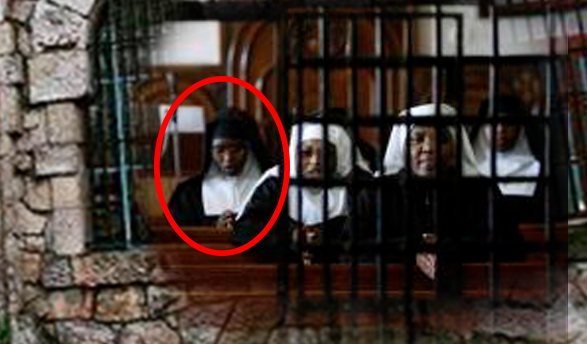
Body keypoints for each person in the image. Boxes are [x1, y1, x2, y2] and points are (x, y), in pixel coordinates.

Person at [375, 103, 522, 292]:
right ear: (403, 146)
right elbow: (351, 252)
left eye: (441, 139)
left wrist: (449, 248)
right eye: (418, 139)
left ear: (456, 146)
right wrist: (410, 251)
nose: (429, 148)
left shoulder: (482, 192)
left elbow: (512, 248)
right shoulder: (377, 193)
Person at [233, 113, 373, 262]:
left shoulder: (358, 187)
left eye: (325, 154)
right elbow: (244, 229)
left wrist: (327, 239)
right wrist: (291, 236)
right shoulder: (276, 183)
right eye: (306, 153)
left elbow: (372, 237)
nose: (315, 161)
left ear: (339, 157)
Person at [167, 109, 271, 230]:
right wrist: (214, 232)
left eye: (236, 150)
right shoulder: (188, 195)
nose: (228, 158)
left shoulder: (270, 191)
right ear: (210, 152)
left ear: (250, 150)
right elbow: (176, 240)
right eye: (220, 150)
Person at [473, 94, 545, 222]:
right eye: (492, 123)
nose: (501, 129)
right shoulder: (468, 173)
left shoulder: (539, 172)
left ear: (520, 128)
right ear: (482, 128)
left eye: (509, 123)